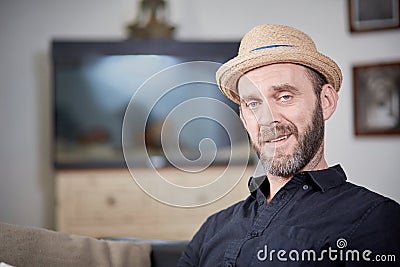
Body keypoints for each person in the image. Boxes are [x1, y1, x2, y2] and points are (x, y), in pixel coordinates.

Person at [177, 24, 400, 266]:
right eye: (253, 103)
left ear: (325, 102)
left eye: (285, 96)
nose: (268, 119)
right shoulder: (212, 228)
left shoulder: (376, 219)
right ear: (243, 117)